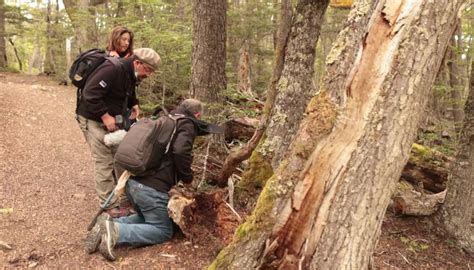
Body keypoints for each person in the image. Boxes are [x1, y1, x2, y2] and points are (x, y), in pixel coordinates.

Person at [85, 99, 203, 261]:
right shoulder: (187, 124)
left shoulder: (165, 120)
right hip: (151, 190)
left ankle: (108, 222)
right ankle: (116, 231)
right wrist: (187, 177)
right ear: (197, 114)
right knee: (162, 230)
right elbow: (181, 150)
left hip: (132, 183)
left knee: (146, 218)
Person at [76, 48, 160, 217]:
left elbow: (127, 90)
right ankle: (110, 206)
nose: (149, 74)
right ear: (137, 63)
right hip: (93, 120)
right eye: (148, 70)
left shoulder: (130, 72)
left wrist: (134, 103)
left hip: (114, 123)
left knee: (121, 157)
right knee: (104, 162)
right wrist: (105, 116)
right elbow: (90, 94)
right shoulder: (112, 69)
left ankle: (124, 195)